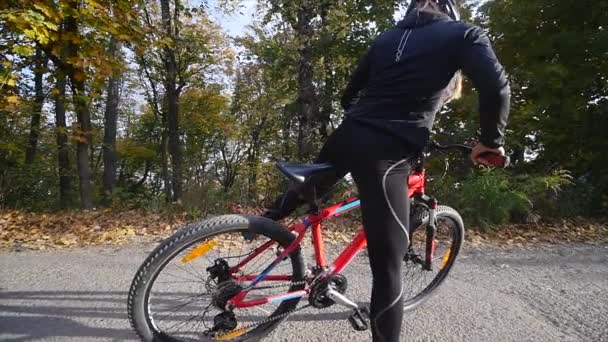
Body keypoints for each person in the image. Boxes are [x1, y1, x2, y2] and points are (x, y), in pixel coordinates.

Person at [264, 0, 510, 341]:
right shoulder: (464, 34)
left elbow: (348, 96)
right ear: (450, 9)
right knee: (387, 269)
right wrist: (490, 141)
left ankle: (259, 228)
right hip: (388, 153)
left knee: (308, 193)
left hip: (347, 135)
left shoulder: (386, 38)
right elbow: (496, 87)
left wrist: (370, 115)